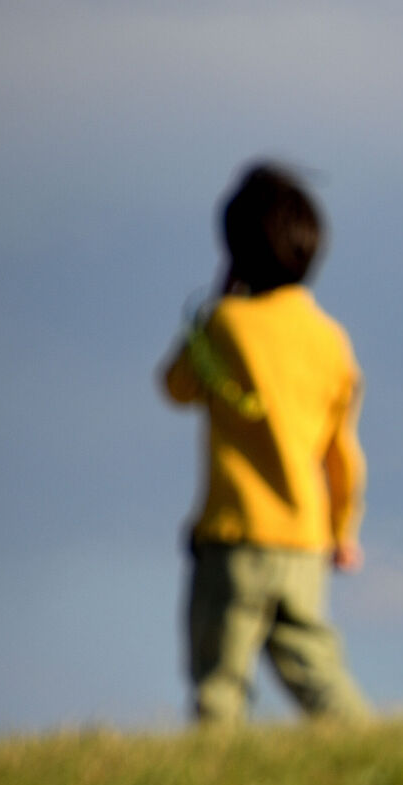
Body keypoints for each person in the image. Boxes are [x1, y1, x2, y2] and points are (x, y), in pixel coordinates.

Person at [160, 162, 373, 725]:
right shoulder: (330, 339)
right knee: (318, 670)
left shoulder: (226, 324)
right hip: (305, 540)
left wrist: (212, 307)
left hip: (235, 536)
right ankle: (371, 747)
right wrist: (345, 530)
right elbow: (342, 452)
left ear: (234, 250)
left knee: (221, 680)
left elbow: (176, 387)